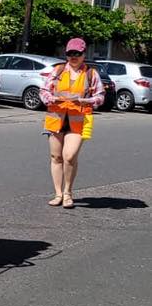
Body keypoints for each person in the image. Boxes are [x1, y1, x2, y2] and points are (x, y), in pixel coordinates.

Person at [40, 37, 104, 209]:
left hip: (78, 120)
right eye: (70, 53)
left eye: (77, 53)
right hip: (56, 118)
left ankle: (68, 192)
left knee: (69, 156)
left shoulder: (91, 74)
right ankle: (58, 194)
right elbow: (44, 90)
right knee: (56, 157)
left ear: (84, 54)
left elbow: (100, 96)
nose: (73, 57)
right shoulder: (58, 70)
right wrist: (50, 98)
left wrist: (87, 101)